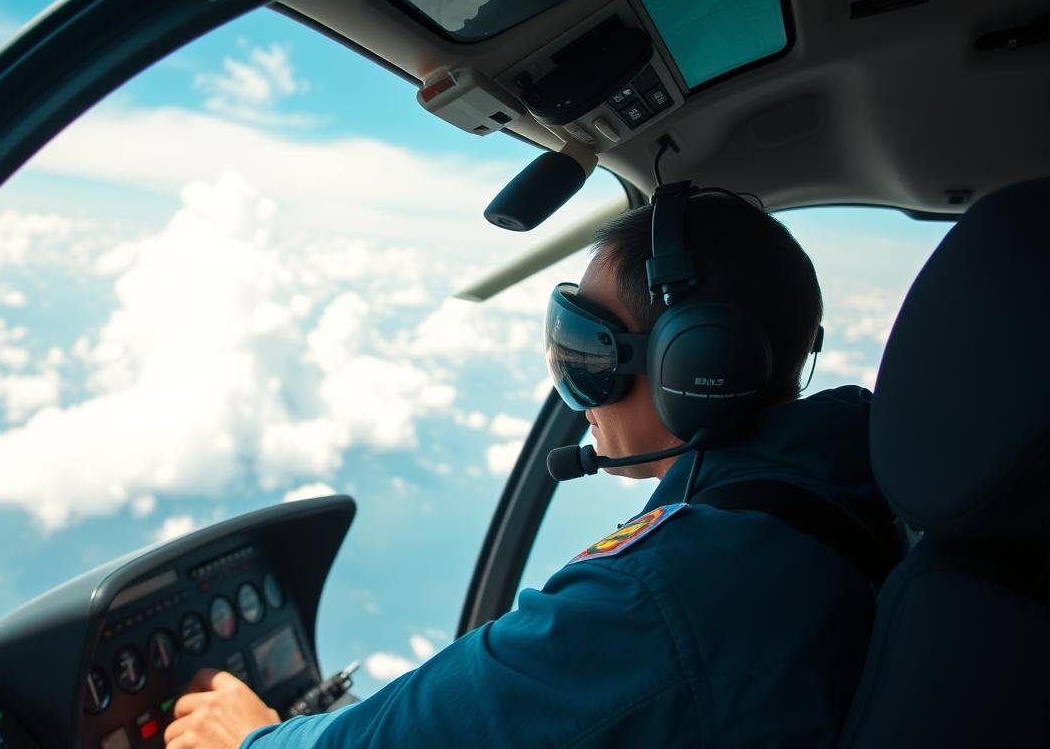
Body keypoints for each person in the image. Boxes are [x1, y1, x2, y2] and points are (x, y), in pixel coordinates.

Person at [163, 188, 901, 749]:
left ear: (696, 367)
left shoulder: (672, 588)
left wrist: (253, 737)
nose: (575, 392)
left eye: (590, 351)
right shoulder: (851, 494)